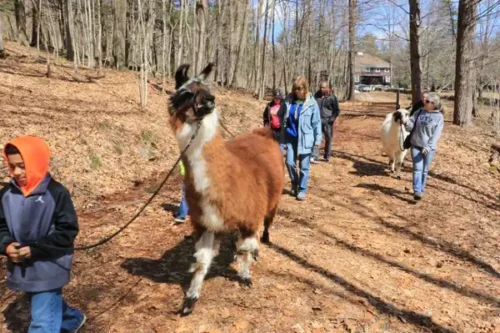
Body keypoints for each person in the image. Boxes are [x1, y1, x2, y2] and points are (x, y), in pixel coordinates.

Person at [0, 136, 86, 332]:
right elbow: (1, 226)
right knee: (45, 302)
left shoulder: (56, 193)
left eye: (23, 166)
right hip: (22, 267)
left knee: (42, 322)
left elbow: (67, 231)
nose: (17, 172)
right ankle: (72, 319)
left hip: (50, 265)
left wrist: (35, 249)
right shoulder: (6, 195)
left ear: (36, 162)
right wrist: (6, 245)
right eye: (12, 167)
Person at [279, 76, 322, 201]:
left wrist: (317, 140)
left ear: (305, 88)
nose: (298, 91)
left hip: (305, 138)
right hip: (290, 137)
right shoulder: (288, 100)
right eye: (295, 88)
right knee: (290, 162)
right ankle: (294, 183)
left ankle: (302, 189)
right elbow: (281, 115)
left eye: (300, 89)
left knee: (304, 167)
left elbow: (316, 123)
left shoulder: (311, 103)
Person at [401, 92, 444, 201]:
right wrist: (406, 123)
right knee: (417, 169)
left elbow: (436, 135)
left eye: (428, 101)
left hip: (429, 149)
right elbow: (410, 126)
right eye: (425, 100)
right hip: (415, 144)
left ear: (434, 104)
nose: (425, 102)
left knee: (424, 170)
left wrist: (428, 147)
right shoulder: (418, 112)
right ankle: (417, 191)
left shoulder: (439, 117)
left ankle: (421, 189)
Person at [312, 81, 340, 163]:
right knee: (316, 139)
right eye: (320, 87)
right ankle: (315, 156)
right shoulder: (315, 96)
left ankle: (327, 156)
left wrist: (332, 119)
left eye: (323, 87)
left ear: (327, 88)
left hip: (328, 121)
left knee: (328, 139)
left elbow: (336, 110)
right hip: (317, 121)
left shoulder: (332, 97)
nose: (321, 89)